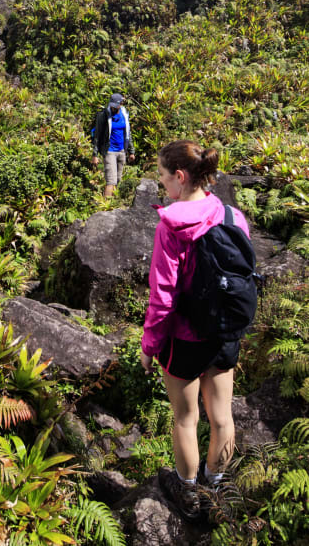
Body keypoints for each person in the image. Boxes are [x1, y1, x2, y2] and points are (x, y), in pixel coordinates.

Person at [140, 140, 250, 521]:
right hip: (224, 334)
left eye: (163, 175)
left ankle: (188, 493)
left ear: (181, 177)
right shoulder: (234, 217)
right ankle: (216, 487)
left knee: (186, 419)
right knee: (222, 417)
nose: (162, 182)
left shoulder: (171, 225)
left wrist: (149, 345)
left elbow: (163, 297)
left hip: (184, 339)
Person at [90, 93, 135, 197]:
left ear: (121, 104)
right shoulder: (103, 115)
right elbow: (97, 135)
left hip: (122, 151)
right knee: (111, 181)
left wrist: (131, 151)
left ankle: (113, 205)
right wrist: (95, 154)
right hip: (109, 151)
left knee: (118, 180)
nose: (113, 107)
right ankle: (105, 209)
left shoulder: (124, 114)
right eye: (112, 105)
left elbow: (128, 133)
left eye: (116, 105)